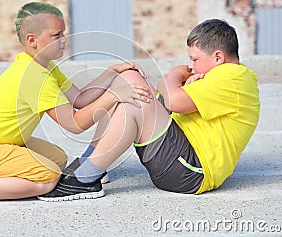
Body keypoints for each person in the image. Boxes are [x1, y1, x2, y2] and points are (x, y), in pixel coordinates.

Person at [0, 2, 152, 201]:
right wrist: (115, 95)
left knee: (59, 159)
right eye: (56, 35)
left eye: (64, 33)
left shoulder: (42, 64)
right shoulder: (34, 76)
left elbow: (80, 99)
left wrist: (112, 72)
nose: (64, 40)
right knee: (47, 178)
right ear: (32, 40)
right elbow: (74, 123)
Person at [38, 18, 260, 201]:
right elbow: (167, 96)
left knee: (135, 97)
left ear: (218, 57)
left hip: (191, 172)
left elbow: (171, 99)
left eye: (194, 59)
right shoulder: (220, 76)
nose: (190, 65)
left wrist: (177, 73)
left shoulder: (232, 77)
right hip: (180, 155)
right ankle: (91, 162)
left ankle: (85, 181)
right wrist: (177, 83)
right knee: (128, 77)